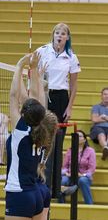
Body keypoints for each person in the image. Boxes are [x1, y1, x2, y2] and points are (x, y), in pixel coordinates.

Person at [5, 52, 57, 220]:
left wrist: (19, 67)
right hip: (36, 194)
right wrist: (34, 72)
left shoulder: (21, 131)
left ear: (25, 114)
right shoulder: (43, 128)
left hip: (19, 195)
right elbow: (36, 101)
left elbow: (15, 97)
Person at [36, 23, 81, 193]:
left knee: (57, 140)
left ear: (67, 38)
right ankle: (41, 181)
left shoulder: (71, 57)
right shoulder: (43, 51)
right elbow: (32, 71)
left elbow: (74, 85)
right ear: (53, 35)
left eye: (63, 33)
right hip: (44, 94)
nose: (59, 36)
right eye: (57, 33)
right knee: (43, 139)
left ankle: (55, 186)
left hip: (61, 98)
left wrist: (70, 107)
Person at [60, 130, 96, 204]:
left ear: (85, 139)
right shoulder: (70, 150)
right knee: (62, 180)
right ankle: (61, 203)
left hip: (83, 176)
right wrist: (66, 173)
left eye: (80, 136)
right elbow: (64, 167)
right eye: (76, 136)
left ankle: (89, 205)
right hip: (70, 175)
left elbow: (91, 169)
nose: (77, 138)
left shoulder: (90, 151)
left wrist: (83, 175)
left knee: (82, 180)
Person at [90, 87, 108, 160]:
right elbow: (94, 119)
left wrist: (104, 117)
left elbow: (97, 119)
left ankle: (106, 148)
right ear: (101, 96)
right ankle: (105, 148)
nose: (107, 96)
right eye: (105, 94)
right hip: (98, 128)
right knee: (100, 133)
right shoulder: (96, 107)